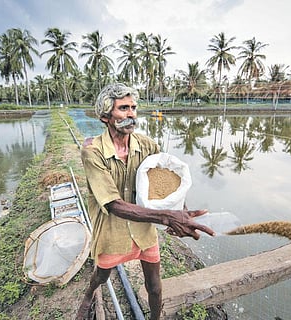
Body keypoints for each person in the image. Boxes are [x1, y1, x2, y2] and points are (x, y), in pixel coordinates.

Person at [76, 83, 214, 319]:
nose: (131, 113)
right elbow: (112, 204)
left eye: (133, 107)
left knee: (155, 285)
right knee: (102, 274)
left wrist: (181, 211)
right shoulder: (93, 151)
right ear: (105, 117)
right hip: (111, 227)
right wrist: (166, 216)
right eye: (123, 108)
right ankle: (89, 295)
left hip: (143, 226)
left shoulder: (148, 145)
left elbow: (168, 182)